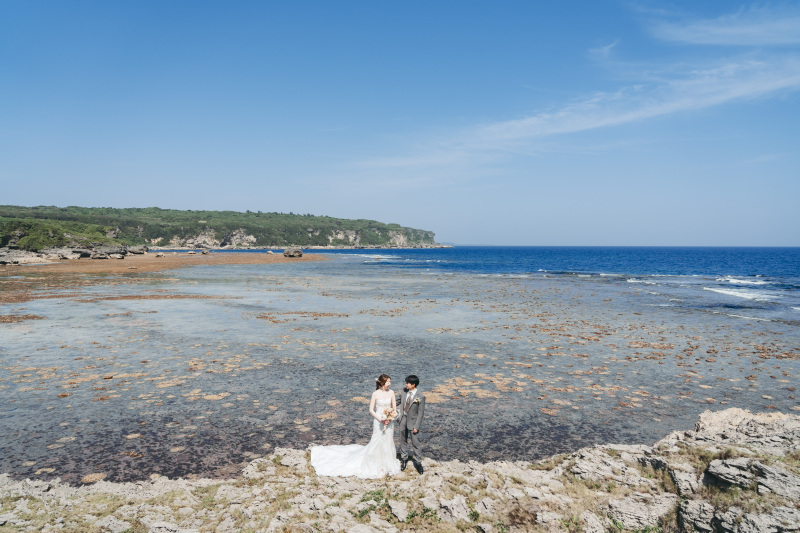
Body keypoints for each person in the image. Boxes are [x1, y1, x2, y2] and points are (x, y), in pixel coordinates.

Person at [309, 374, 401, 478]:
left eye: (390, 382)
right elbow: (371, 410)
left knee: (387, 440)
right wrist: (381, 419)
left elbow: (394, 408)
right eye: (388, 382)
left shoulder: (392, 393)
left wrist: (390, 417)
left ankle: (387, 464)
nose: (390, 384)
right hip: (379, 420)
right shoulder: (375, 394)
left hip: (389, 422)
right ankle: (377, 464)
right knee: (377, 440)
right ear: (383, 383)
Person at [397, 374, 425, 474]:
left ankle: (418, 462)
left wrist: (416, 427)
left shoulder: (420, 396)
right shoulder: (404, 392)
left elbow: (421, 413)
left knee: (415, 442)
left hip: (413, 422)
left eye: (408, 383)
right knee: (402, 440)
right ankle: (404, 459)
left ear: (413, 385)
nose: (406, 384)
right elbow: (398, 402)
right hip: (403, 419)